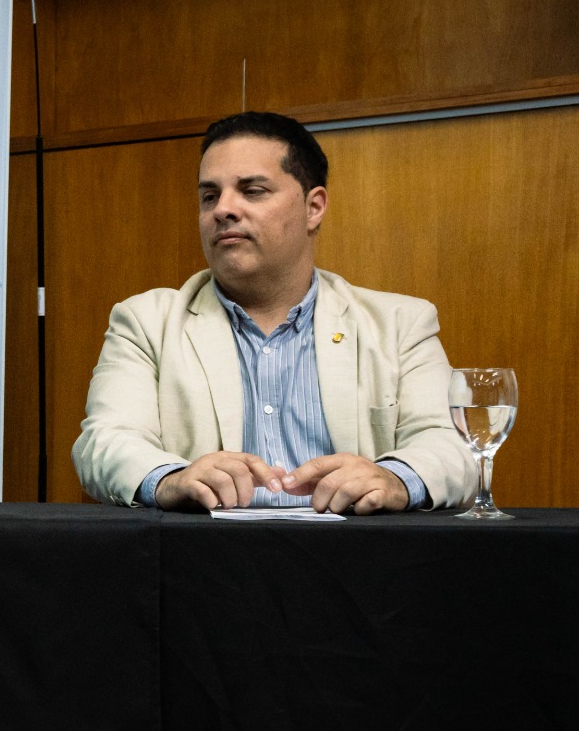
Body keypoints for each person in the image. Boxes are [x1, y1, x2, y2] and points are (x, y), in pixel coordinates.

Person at [72, 111, 474, 514]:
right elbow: (105, 442)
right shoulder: (146, 323)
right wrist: (171, 478)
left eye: (252, 191)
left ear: (313, 208)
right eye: (209, 196)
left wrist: (394, 479)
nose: (222, 209)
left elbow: (453, 446)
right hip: (206, 547)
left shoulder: (399, 324)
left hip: (353, 547)